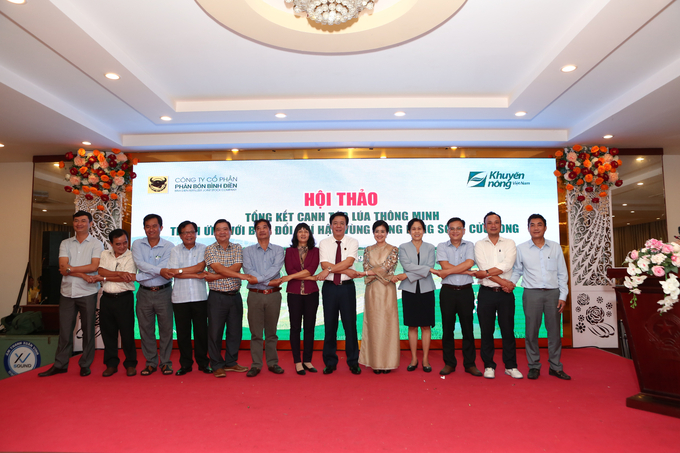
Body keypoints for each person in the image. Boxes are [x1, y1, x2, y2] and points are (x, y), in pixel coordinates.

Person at [39, 211, 103, 377]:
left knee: (89, 330)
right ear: (73, 223)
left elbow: (93, 267)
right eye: (76, 221)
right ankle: (60, 364)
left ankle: (85, 364)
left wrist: (71, 269)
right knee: (65, 330)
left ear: (90, 223)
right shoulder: (65, 243)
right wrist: (81, 274)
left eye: (83, 221)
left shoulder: (96, 244)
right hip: (67, 292)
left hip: (88, 292)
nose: (79, 224)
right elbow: (62, 267)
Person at [511, 214, 571, 380]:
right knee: (531, 332)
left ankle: (555, 366)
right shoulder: (521, 248)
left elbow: (562, 273)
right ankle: (534, 366)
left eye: (539, 225)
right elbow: (517, 271)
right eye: (532, 225)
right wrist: (509, 285)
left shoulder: (555, 247)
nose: (536, 228)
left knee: (554, 333)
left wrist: (563, 295)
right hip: (531, 294)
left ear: (545, 227)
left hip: (553, 294)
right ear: (528, 228)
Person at [473, 211, 522, 379]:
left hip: (505, 295)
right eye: (490, 222)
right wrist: (505, 283)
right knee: (487, 331)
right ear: (484, 225)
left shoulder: (509, 243)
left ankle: (511, 365)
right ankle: (489, 365)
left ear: (501, 225)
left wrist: (486, 273)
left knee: (508, 330)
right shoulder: (479, 244)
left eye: (496, 222)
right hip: (487, 293)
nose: (493, 225)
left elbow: (507, 265)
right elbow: (483, 266)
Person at [433, 217, 482, 377]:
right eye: (452, 228)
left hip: (466, 292)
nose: (455, 231)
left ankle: (470, 364)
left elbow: (469, 263)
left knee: (468, 329)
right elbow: (444, 266)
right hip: (448, 292)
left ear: (464, 230)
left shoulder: (469, 245)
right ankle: (449, 363)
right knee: (448, 329)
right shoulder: (441, 246)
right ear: (447, 230)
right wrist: (462, 271)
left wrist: (448, 272)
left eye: (458, 228)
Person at [316, 211, 362, 375]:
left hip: (347, 288)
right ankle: (330, 362)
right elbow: (324, 264)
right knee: (330, 325)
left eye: (342, 223)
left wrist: (329, 269)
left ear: (346, 225)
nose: (338, 226)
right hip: (329, 288)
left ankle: (353, 362)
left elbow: (349, 261)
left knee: (350, 325)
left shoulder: (353, 241)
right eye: (335, 223)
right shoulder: (324, 242)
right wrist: (342, 269)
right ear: (330, 225)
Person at [204, 219, 250, 378]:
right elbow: (217, 267)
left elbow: (236, 267)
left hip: (234, 296)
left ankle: (231, 362)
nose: (222, 232)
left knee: (235, 332)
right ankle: (216, 364)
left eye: (225, 229)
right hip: (217, 297)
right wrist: (236, 275)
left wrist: (214, 276)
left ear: (230, 231)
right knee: (215, 333)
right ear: (214, 232)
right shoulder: (209, 249)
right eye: (218, 229)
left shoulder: (237, 247)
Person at [165, 220, 212, 376]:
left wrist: (181, 272)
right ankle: (185, 364)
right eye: (185, 232)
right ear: (180, 235)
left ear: (196, 233)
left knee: (201, 333)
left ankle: (203, 363)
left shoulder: (204, 249)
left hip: (199, 297)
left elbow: (201, 267)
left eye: (192, 232)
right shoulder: (175, 250)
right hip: (180, 298)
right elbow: (172, 272)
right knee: (183, 334)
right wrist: (195, 275)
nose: (189, 235)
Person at [131, 213, 174, 376]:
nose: (151, 229)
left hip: (164, 292)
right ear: (144, 228)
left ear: (161, 228)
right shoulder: (137, 244)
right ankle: (150, 362)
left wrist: (139, 276)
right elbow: (140, 264)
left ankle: (165, 362)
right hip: (144, 293)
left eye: (154, 226)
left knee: (166, 329)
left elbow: (165, 268)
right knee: (145, 329)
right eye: (147, 226)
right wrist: (160, 271)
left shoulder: (169, 246)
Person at [242, 219, 285, 377]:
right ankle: (256, 364)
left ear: (270, 230)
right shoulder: (247, 251)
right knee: (256, 333)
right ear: (255, 231)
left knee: (272, 332)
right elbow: (248, 270)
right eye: (258, 228)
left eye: (265, 228)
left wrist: (260, 280)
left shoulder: (279, 250)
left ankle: (273, 363)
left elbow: (276, 269)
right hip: (255, 295)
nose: (262, 230)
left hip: (273, 295)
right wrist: (267, 281)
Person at [276, 223, 320, 375]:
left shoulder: (316, 251)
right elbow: (290, 269)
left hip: (311, 294)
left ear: (310, 234)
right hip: (294, 294)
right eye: (299, 231)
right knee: (295, 327)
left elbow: (311, 270)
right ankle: (297, 361)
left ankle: (307, 360)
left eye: (305, 231)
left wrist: (290, 277)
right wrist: (310, 277)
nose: (303, 234)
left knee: (309, 327)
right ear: (295, 234)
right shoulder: (289, 251)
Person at [394, 218, 436, 373]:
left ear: (424, 230)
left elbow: (430, 267)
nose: (417, 231)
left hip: (427, 290)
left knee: (426, 325)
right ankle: (413, 358)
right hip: (409, 291)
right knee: (412, 326)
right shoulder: (403, 247)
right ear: (409, 231)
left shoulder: (431, 247)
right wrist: (418, 271)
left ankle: (425, 359)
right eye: (413, 229)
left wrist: (407, 275)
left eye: (419, 228)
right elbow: (407, 265)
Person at [359, 220, 400, 374]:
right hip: (372, 290)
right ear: (373, 233)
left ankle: (388, 362)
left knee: (388, 324)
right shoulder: (367, 250)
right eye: (377, 231)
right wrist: (381, 274)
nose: (379, 234)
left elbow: (388, 267)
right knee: (374, 324)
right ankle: (375, 362)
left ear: (387, 233)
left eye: (382, 231)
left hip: (387, 290)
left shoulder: (393, 249)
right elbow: (366, 268)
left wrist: (373, 273)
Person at [98, 228, 138, 377]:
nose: (122, 247)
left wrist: (107, 276)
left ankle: (130, 364)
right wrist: (118, 273)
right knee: (108, 334)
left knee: (127, 333)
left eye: (125, 243)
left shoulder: (131, 256)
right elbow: (101, 270)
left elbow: (127, 277)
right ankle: (111, 364)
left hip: (124, 298)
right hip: (106, 299)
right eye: (118, 244)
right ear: (111, 244)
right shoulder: (104, 254)